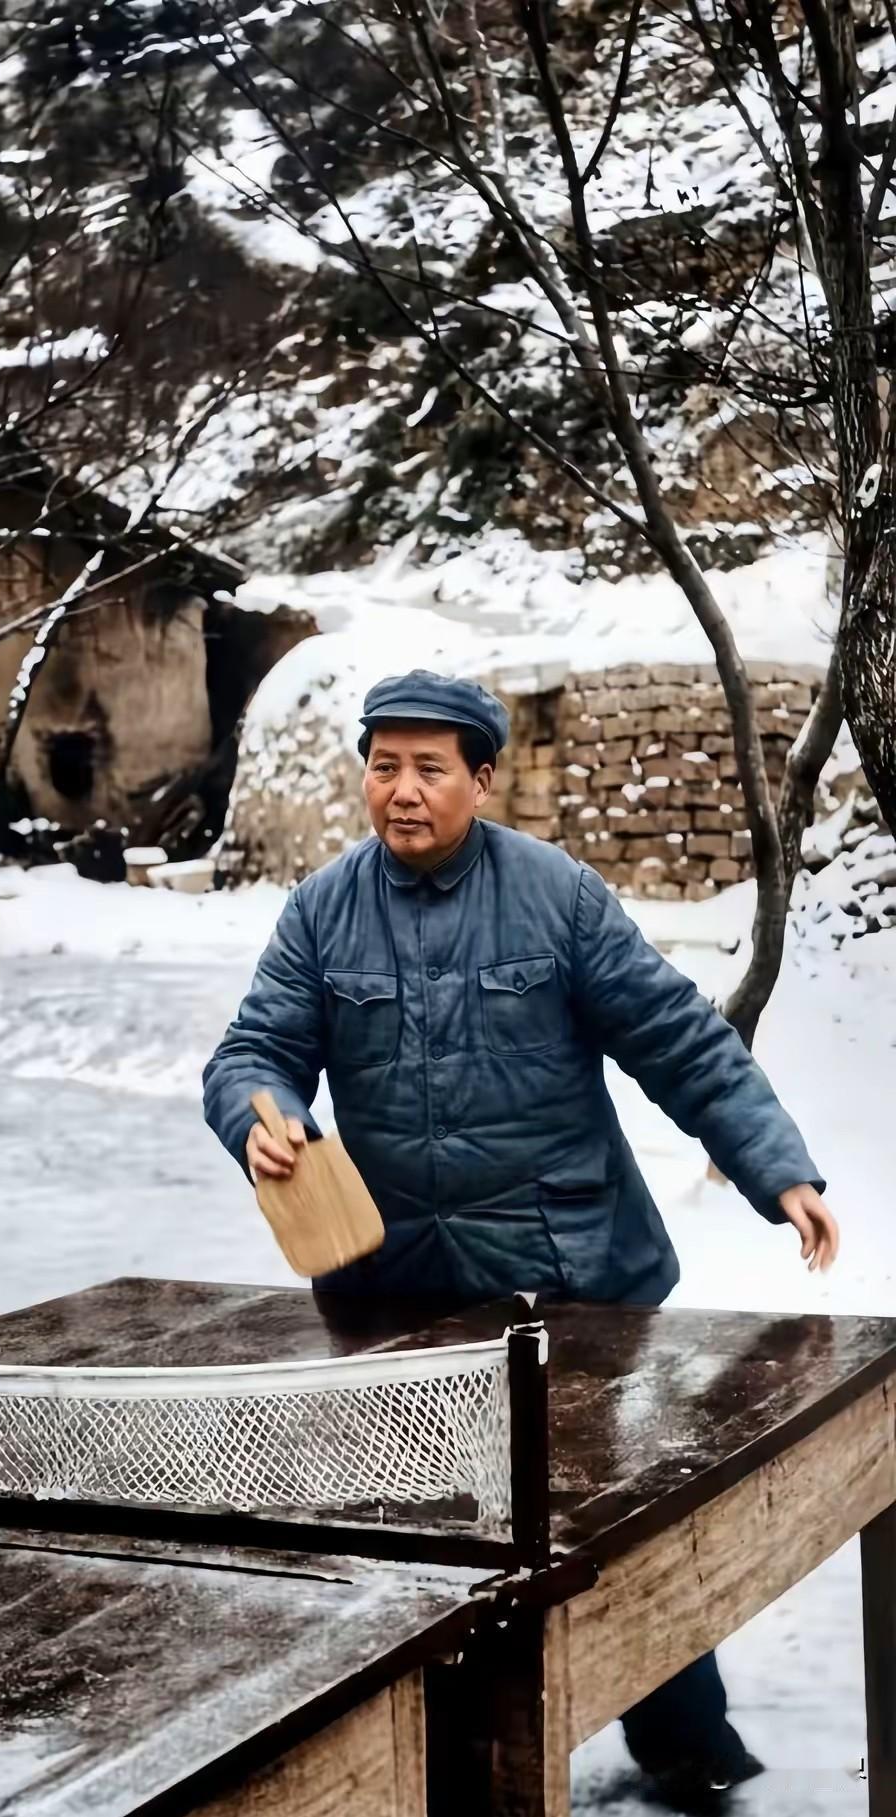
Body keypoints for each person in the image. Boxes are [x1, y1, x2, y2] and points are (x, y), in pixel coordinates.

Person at [203, 668, 839, 1812]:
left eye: (427, 768)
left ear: (482, 779)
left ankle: (686, 1744)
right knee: (424, 1530)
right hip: (398, 1288)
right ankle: (457, 1753)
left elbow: (677, 1039)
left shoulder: (556, 896)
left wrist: (776, 1169)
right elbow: (252, 1052)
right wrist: (264, 1116)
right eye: (382, 766)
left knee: (602, 1517)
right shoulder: (320, 911)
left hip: (568, 1275)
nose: (400, 790)